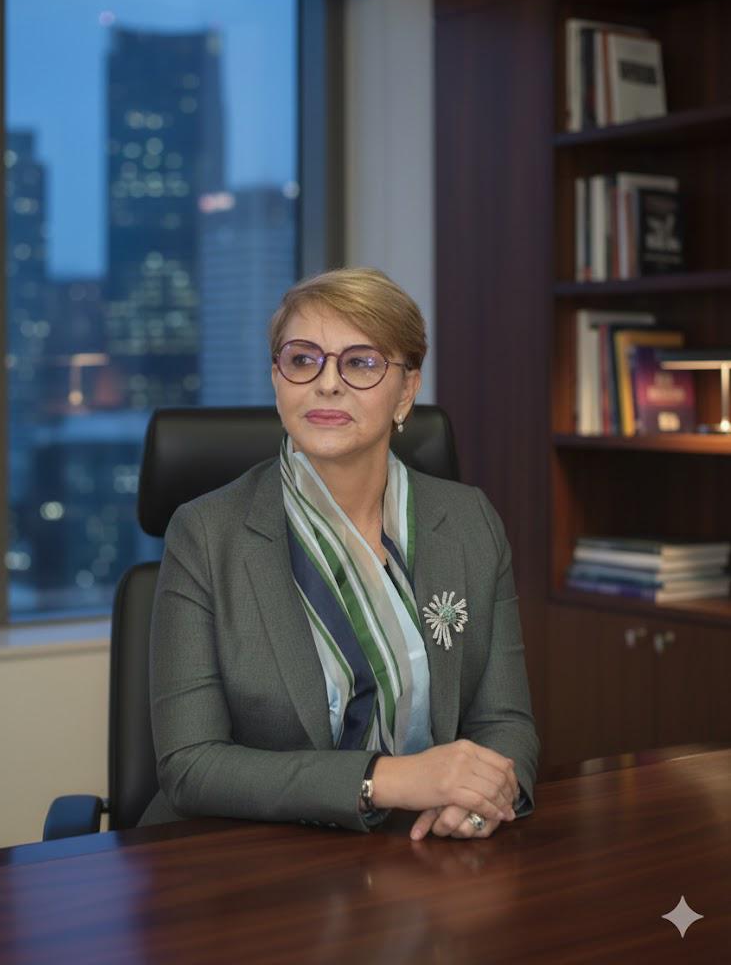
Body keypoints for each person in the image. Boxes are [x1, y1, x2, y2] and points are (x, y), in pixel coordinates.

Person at [139, 267, 539, 840]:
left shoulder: (469, 521)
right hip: (248, 859)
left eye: (361, 362)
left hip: (425, 846)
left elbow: (506, 722)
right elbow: (190, 765)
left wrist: (480, 801)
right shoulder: (206, 534)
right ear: (276, 380)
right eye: (303, 359)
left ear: (407, 390)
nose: (327, 384)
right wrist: (385, 780)